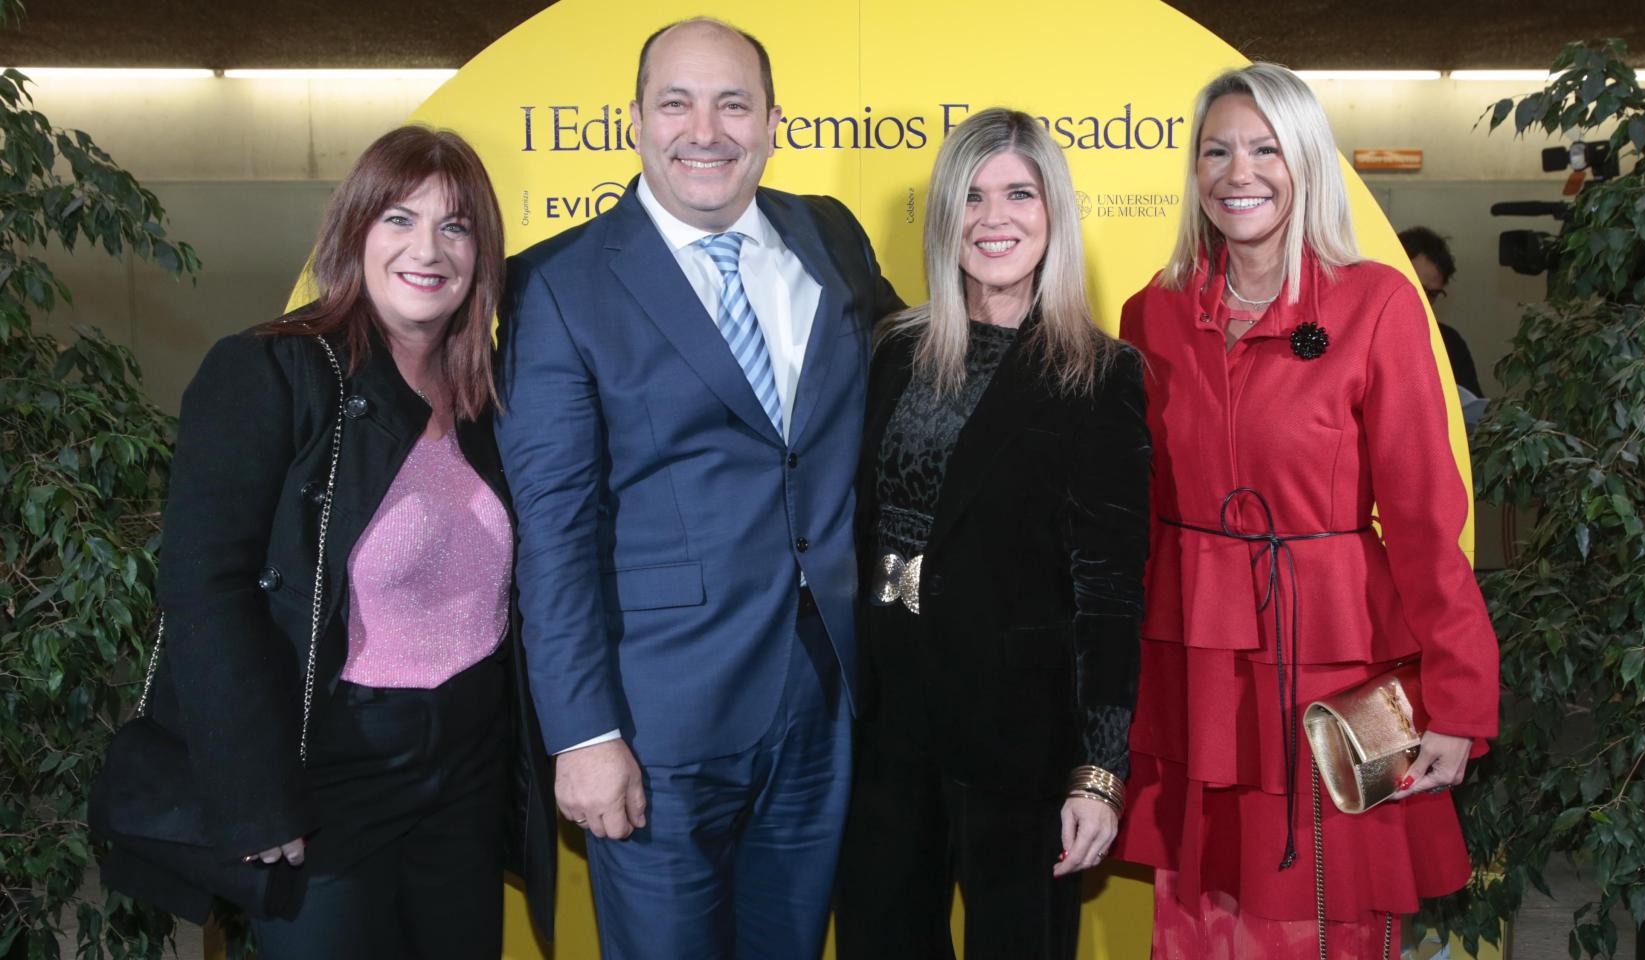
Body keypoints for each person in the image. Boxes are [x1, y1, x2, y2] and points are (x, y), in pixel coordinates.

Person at [494, 17, 902, 959]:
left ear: (771, 123)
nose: (705, 129)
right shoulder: (554, 287)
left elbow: (910, 388)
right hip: (653, 722)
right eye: (676, 102)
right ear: (634, 120)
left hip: (820, 700)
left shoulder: (829, 238)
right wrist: (582, 732)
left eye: (733, 103)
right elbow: (553, 532)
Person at [95, 126, 557, 957]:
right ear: (353, 231)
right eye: (399, 219)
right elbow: (206, 587)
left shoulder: (489, 393)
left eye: (456, 227)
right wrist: (254, 794)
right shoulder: (272, 371)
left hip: (469, 772)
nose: (429, 248)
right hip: (328, 773)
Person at [1112, 64, 1500, 958]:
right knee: (1203, 904)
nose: (1237, 171)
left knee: (1321, 908)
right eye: (1216, 150)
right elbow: (1129, 515)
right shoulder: (1153, 314)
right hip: (1192, 663)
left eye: (1264, 148)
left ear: (1306, 162)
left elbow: (1423, 522)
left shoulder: (1376, 304)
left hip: (1331, 657)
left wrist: (1458, 703)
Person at [834, 108, 1149, 959]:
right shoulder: (894, 349)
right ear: (945, 217)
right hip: (885, 722)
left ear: (1054, 214)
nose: (993, 217)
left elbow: (1112, 590)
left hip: (1022, 736)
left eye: (1018, 193)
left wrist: (1098, 770)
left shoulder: (1101, 373)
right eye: (970, 197)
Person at [1399, 225, 1483, 396]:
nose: (1423, 300)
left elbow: (1471, 412)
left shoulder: (1449, 343)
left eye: (1433, 294)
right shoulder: (1358, 334)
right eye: (1416, 288)